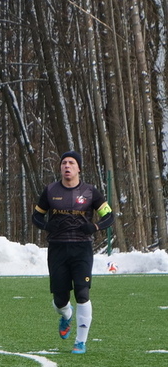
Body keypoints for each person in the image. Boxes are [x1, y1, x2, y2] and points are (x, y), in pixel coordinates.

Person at [32, 150, 113, 354]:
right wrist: (46, 226)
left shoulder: (90, 192)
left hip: (81, 248)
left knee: (82, 293)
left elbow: (109, 216)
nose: (67, 166)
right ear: (60, 168)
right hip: (57, 249)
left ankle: (80, 342)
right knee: (60, 300)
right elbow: (36, 217)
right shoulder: (50, 191)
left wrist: (95, 227)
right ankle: (66, 314)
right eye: (64, 163)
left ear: (79, 168)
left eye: (71, 163)